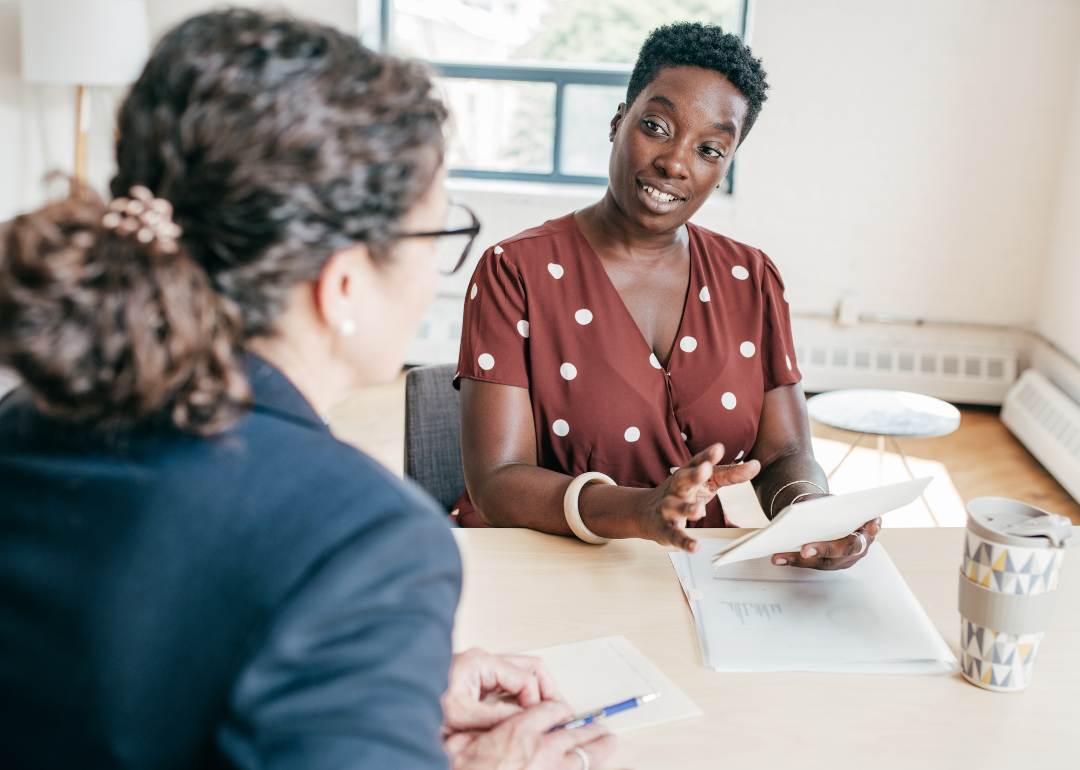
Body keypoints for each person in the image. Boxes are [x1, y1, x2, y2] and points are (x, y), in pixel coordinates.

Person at [0, 10, 615, 770]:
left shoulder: (24, 419)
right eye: (437, 236)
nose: (435, 280)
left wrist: (365, 696)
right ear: (345, 283)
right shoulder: (363, 542)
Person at [454, 22, 880, 570]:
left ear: (723, 171)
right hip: (544, 564)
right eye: (656, 126)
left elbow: (785, 454)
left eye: (709, 149)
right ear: (617, 122)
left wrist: (811, 515)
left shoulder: (751, 278)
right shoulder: (515, 271)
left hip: (697, 568)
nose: (676, 162)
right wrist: (640, 510)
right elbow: (496, 480)